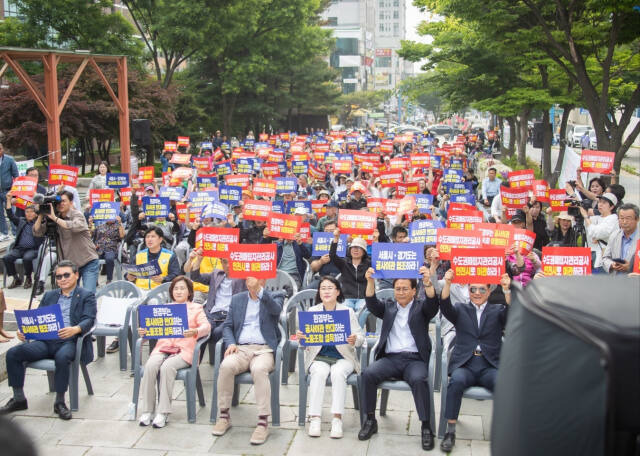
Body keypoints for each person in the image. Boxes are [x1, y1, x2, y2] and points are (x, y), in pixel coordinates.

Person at [0, 261, 96, 420]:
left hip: (69, 340)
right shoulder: (50, 295)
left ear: (76, 275)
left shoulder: (86, 295)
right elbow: (37, 318)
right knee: (13, 353)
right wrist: (24, 331)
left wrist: (76, 329)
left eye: (66, 275)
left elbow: (89, 319)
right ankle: (18, 398)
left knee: (62, 357)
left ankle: (59, 401)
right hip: (46, 341)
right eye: (59, 276)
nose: (63, 279)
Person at [358, 266, 439, 451]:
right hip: (391, 359)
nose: (400, 292)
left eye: (404, 289)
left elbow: (433, 304)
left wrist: (427, 282)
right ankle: (370, 419)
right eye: (397, 289)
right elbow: (371, 303)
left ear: (413, 291)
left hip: (415, 359)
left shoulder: (421, 308)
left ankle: (426, 427)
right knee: (368, 374)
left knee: (420, 379)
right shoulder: (388, 307)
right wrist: (370, 280)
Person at [438, 269, 511, 453]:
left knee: (504, 385)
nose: (477, 293)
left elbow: (512, 313)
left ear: (489, 291)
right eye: (473, 290)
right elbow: (445, 306)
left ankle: (505, 432)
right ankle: (451, 431)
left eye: (481, 290)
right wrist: (447, 283)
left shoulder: (497, 310)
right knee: (456, 382)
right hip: (466, 364)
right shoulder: (462, 309)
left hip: (489, 365)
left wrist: (507, 290)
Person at [212, 277, 285, 445]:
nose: (253, 281)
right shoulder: (237, 299)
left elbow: (275, 311)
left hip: (264, 348)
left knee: (259, 370)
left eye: (258, 278)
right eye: (250, 278)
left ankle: (262, 421)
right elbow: (228, 325)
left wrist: (259, 291)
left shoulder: (275, 296)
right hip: (241, 347)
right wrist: (230, 343)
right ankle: (224, 415)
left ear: (264, 280)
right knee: (226, 366)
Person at [137, 276, 210, 428]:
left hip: (184, 350)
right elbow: (152, 330)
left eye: (182, 288)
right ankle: (147, 410)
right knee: (150, 365)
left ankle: (163, 412)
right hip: (163, 347)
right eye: (176, 289)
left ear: (189, 292)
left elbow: (207, 327)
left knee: (167, 367)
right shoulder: (165, 308)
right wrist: (144, 332)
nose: (178, 291)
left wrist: (195, 331)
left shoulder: (196, 308)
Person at [296, 276, 364, 438]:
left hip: (343, 357)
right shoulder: (312, 312)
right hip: (319, 357)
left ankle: (337, 418)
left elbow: (361, 338)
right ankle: (315, 418)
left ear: (338, 291)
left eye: (330, 288)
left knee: (338, 373)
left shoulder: (347, 312)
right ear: (319, 292)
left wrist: (355, 339)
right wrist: (301, 337)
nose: (326, 291)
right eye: (323, 288)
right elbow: (304, 344)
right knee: (319, 373)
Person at [185, 248, 247, 363]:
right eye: (225, 262)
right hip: (212, 314)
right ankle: (194, 368)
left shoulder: (243, 277)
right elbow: (195, 277)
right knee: (199, 332)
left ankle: (222, 368)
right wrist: (199, 259)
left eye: (231, 261)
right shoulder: (216, 274)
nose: (228, 265)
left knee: (216, 333)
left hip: (230, 316)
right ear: (221, 262)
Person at [33, 190, 100, 294]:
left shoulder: (77, 214)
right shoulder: (54, 217)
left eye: (64, 201)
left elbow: (73, 226)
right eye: (59, 202)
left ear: (71, 202)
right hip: (70, 265)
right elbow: (37, 232)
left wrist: (55, 218)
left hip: (88, 261)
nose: (61, 204)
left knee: (88, 295)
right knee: (70, 295)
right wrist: (41, 214)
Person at [3, 195, 43, 289]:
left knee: (27, 258)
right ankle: (16, 278)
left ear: (36, 213)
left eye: (31, 212)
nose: (29, 214)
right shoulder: (22, 221)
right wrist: (8, 200)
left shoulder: (40, 221)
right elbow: (10, 215)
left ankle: (28, 278)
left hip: (33, 249)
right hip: (20, 248)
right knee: (6, 257)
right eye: (27, 212)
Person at [329, 230, 370, 311]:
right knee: (346, 310)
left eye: (359, 248)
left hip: (363, 298)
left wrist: (376, 241)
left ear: (364, 251)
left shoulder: (369, 264)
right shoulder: (344, 263)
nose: (355, 250)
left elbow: (379, 260)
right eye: (353, 247)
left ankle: (359, 324)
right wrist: (336, 238)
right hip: (347, 298)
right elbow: (332, 255)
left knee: (362, 310)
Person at [581, 192, 619, 272]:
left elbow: (596, 232)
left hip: (604, 260)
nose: (600, 204)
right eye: (599, 202)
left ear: (612, 206)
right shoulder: (596, 218)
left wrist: (585, 216)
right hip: (591, 257)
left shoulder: (613, 219)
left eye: (604, 203)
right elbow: (588, 231)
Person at [602, 203, 640, 275]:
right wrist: (612, 264)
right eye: (621, 218)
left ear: (637, 219)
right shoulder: (614, 235)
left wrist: (631, 267)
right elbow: (605, 258)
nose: (624, 222)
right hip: (616, 281)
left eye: (628, 218)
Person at [90, 215, 125, 285]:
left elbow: (122, 236)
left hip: (111, 247)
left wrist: (120, 223)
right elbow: (90, 235)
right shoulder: (100, 226)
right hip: (99, 247)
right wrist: (90, 224)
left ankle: (109, 279)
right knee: (93, 259)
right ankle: (94, 280)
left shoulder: (117, 225)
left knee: (109, 258)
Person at [0, 142, 19, 241]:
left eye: (0, 149)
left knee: (11, 212)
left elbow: (16, 176)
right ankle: (4, 233)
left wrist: (14, 192)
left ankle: (15, 232)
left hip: (8, 191)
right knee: (0, 214)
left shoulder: (9, 160)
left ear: (2, 149)